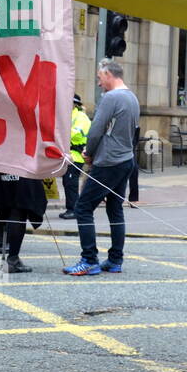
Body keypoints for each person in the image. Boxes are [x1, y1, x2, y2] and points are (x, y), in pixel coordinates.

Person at [65, 59, 139, 276]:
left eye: (99, 78)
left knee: (83, 207)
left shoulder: (111, 97)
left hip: (108, 162)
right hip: (126, 160)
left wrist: (88, 152)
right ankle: (115, 260)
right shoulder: (132, 97)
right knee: (115, 209)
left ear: (108, 74)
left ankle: (89, 260)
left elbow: (96, 129)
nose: (98, 83)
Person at [60, 94, 91, 219]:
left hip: (76, 156)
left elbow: (75, 133)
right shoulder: (66, 116)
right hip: (67, 155)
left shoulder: (81, 117)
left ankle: (74, 210)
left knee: (71, 182)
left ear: (75, 103)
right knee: (67, 182)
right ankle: (71, 208)